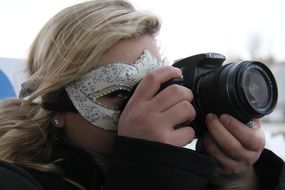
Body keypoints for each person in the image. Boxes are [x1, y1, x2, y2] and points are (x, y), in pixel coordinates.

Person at [0, 0, 284, 190]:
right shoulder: (14, 180)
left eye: (162, 85)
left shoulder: (188, 176)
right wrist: (148, 168)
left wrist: (239, 180)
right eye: (124, 94)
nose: (151, 109)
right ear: (55, 105)